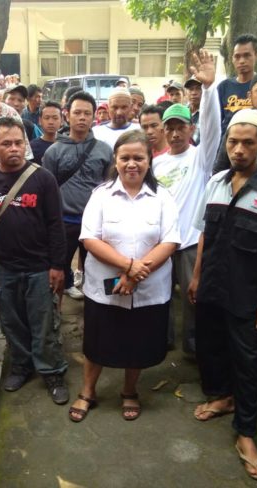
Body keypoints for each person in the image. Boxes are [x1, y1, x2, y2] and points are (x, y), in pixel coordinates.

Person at [189, 109, 257, 480]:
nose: (239, 149)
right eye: (233, 142)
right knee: (210, 347)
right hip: (211, 286)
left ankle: (246, 433)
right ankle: (221, 397)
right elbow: (205, 234)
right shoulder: (216, 183)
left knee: (247, 362)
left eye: (248, 143)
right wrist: (197, 276)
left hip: (247, 294)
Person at [68, 130, 180, 423]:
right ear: (115, 161)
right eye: (125, 158)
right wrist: (129, 266)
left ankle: (129, 391)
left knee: (137, 343)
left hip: (149, 288)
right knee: (97, 342)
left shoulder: (162, 196)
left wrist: (135, 275)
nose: (132, 164)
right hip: (104, 288)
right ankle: (88, 391)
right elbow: (89, 238)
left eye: (138, 158)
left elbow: (170, 241)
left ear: (149, 160)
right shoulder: (101, 195)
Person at [0, 117, 69, 403]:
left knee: (44, 323)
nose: (14, 148)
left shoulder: (43, 179)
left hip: (39, 267)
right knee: (11, 323)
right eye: (6, 143)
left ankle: (52, 371)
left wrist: (57, 265)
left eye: (18, 142)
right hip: (3, 268)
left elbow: (56, 225)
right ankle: (22, 366)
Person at [150, 49, 221, 355]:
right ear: (163, 131)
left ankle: (193, 347)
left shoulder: (200, 159)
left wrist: (209, 88)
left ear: (191, 129)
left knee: (194, 298)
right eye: (170, 128)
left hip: (191, 242)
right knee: (160, 295)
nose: (175, 133)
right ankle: (161, 340)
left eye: (181, 127)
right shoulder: (156, 164)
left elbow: (213, 127)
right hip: (163, 242)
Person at [43, 91, 113, 301]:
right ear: (67, 115)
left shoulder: (104, 150)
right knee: (58, 270)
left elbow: (109, 187)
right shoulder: (53, 151)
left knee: (97, 269)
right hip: (64, 221)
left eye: (87, 113)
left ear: (94, 116)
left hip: (94, 223)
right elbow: (47, 190)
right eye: (77, 113)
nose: (82, 117)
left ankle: (96, 309)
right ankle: (56, 313)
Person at [217, 34, 257, 134]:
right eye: (237, 56)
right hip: (228, 140)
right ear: (232, 59)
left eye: (247, 55)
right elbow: (216, 121)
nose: (241, 61)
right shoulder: (224, 87)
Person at [185, 77, 203, 145]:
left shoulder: (208, 114)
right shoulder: (181, 112)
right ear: (186, 92)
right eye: (191, 89)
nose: (194, 93)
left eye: (198, 89)